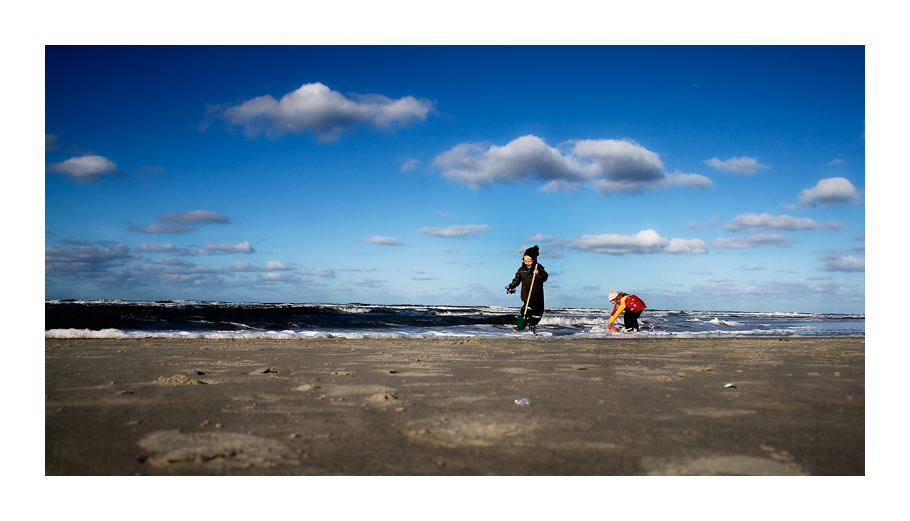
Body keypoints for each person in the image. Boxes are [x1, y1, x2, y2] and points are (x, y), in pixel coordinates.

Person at [506, 245, 549, 334]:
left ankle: (532, 326)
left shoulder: (538, 268)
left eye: (529, 261)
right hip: (527, 295)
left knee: (537, 314)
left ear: (534, 260)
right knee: (526, 310)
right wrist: (511, 287)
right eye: (526, 261)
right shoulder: (522, 270)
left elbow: (545, 277)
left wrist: (538, 274)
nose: (528, 263)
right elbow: (517, 280)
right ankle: (520, 325)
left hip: (538, 296)